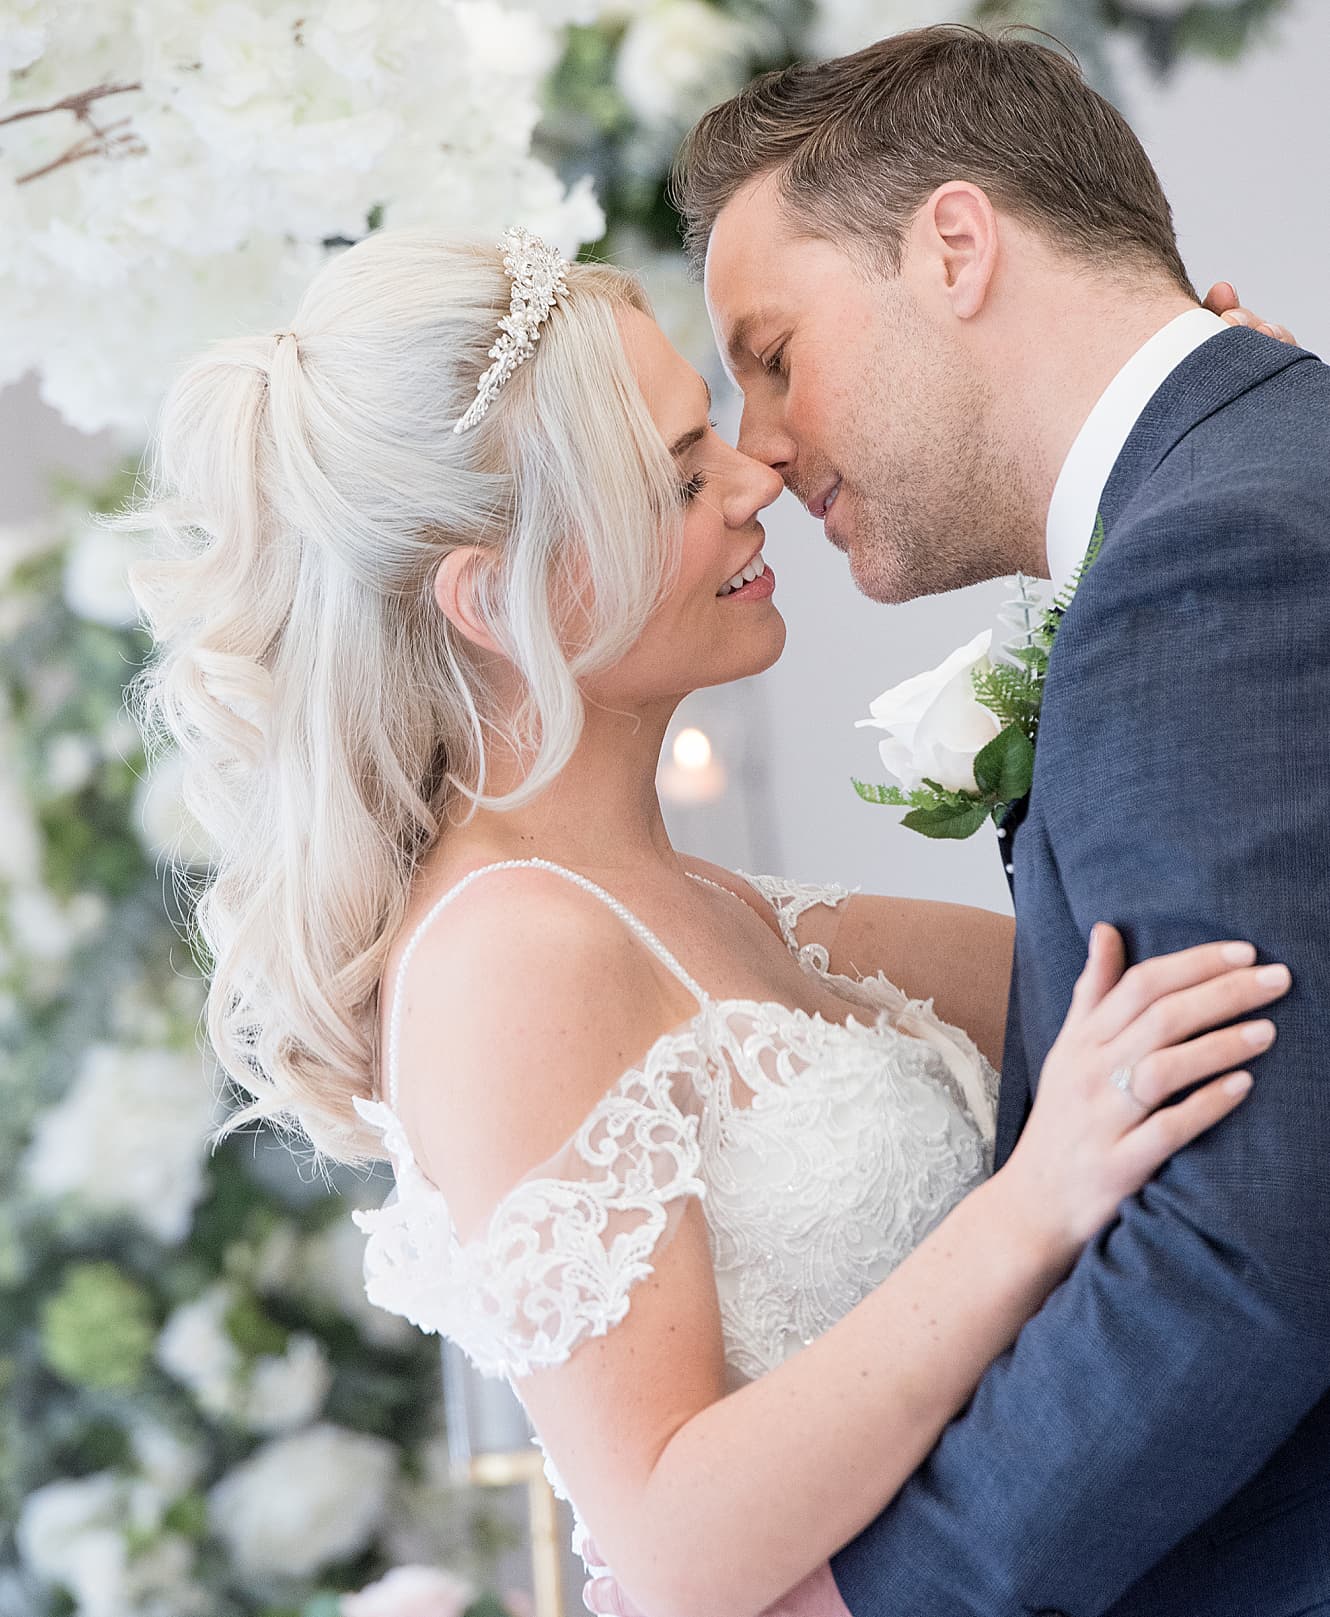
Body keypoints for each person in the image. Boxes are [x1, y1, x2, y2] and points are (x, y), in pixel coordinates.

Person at [121, 212, 1297, 1617]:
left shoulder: (718, 907)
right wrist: (1035, 1204)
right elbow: (672, 1535)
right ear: (496, 596)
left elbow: (1140, 970)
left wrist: (1185, 484)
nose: (756, 477)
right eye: (679, 480)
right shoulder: (513, 951)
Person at [671, 22, 1330, 1617]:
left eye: (771, 352)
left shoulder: (1207, 558)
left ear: (953, 245)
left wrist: (887, 1597)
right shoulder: (1267, 459)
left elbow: (1236, 1247)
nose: (757, 446)